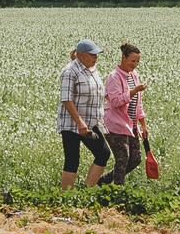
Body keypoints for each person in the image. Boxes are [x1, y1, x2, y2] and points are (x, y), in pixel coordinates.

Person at [56, 37, 109, 188]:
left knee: (103, 153)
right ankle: (66, 197)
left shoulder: (93, 70)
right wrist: (80, 122)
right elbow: (66, 99)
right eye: (92, 55)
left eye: (96, 54)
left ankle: (87, 191)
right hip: (73, 123)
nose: (96, 57)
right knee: (72, 159)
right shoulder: (70, 71)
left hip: (91, 122)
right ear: (81, 55)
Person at [99, 43, 148, 186]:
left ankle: (103, 181)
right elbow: (115, 102)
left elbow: (138, 104)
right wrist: (134, 91)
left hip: (130, 124)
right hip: (115, 124)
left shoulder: (134, 76)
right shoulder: (114, 77)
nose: (135, 64)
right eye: (133, 60)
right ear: (123, 57)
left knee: (136, 159)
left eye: (137, 61)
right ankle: (118, 191)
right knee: (123, 158)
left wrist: (143, 125)